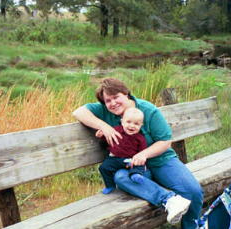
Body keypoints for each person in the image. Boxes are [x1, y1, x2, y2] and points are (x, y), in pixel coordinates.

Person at [72, 78, 203, 228]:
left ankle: (192, 226)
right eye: (108, 100)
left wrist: (144, 154)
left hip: (160, 160)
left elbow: (165, 141)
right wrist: (104, 126)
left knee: (192, 191)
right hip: (130, 165)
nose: (113, 103)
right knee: (120, 177)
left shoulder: (148, 110)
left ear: (126, 94)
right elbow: (78, 112)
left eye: (116, 97)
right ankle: (169, 200)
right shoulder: (105, 110)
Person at [96, 107, 147, 195]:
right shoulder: (115, 130)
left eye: (136, 124)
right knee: (103, 168)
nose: (131, 126)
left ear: (141, 125)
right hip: (114, 159)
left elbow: (143, 152)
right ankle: (110, 185)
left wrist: (141, 159)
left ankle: (135, 175)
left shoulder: (140, 138)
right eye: (128, 122)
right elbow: (107, 139)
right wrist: (101, 135)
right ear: (122, 121)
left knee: (138, 165)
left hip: (129, 160)